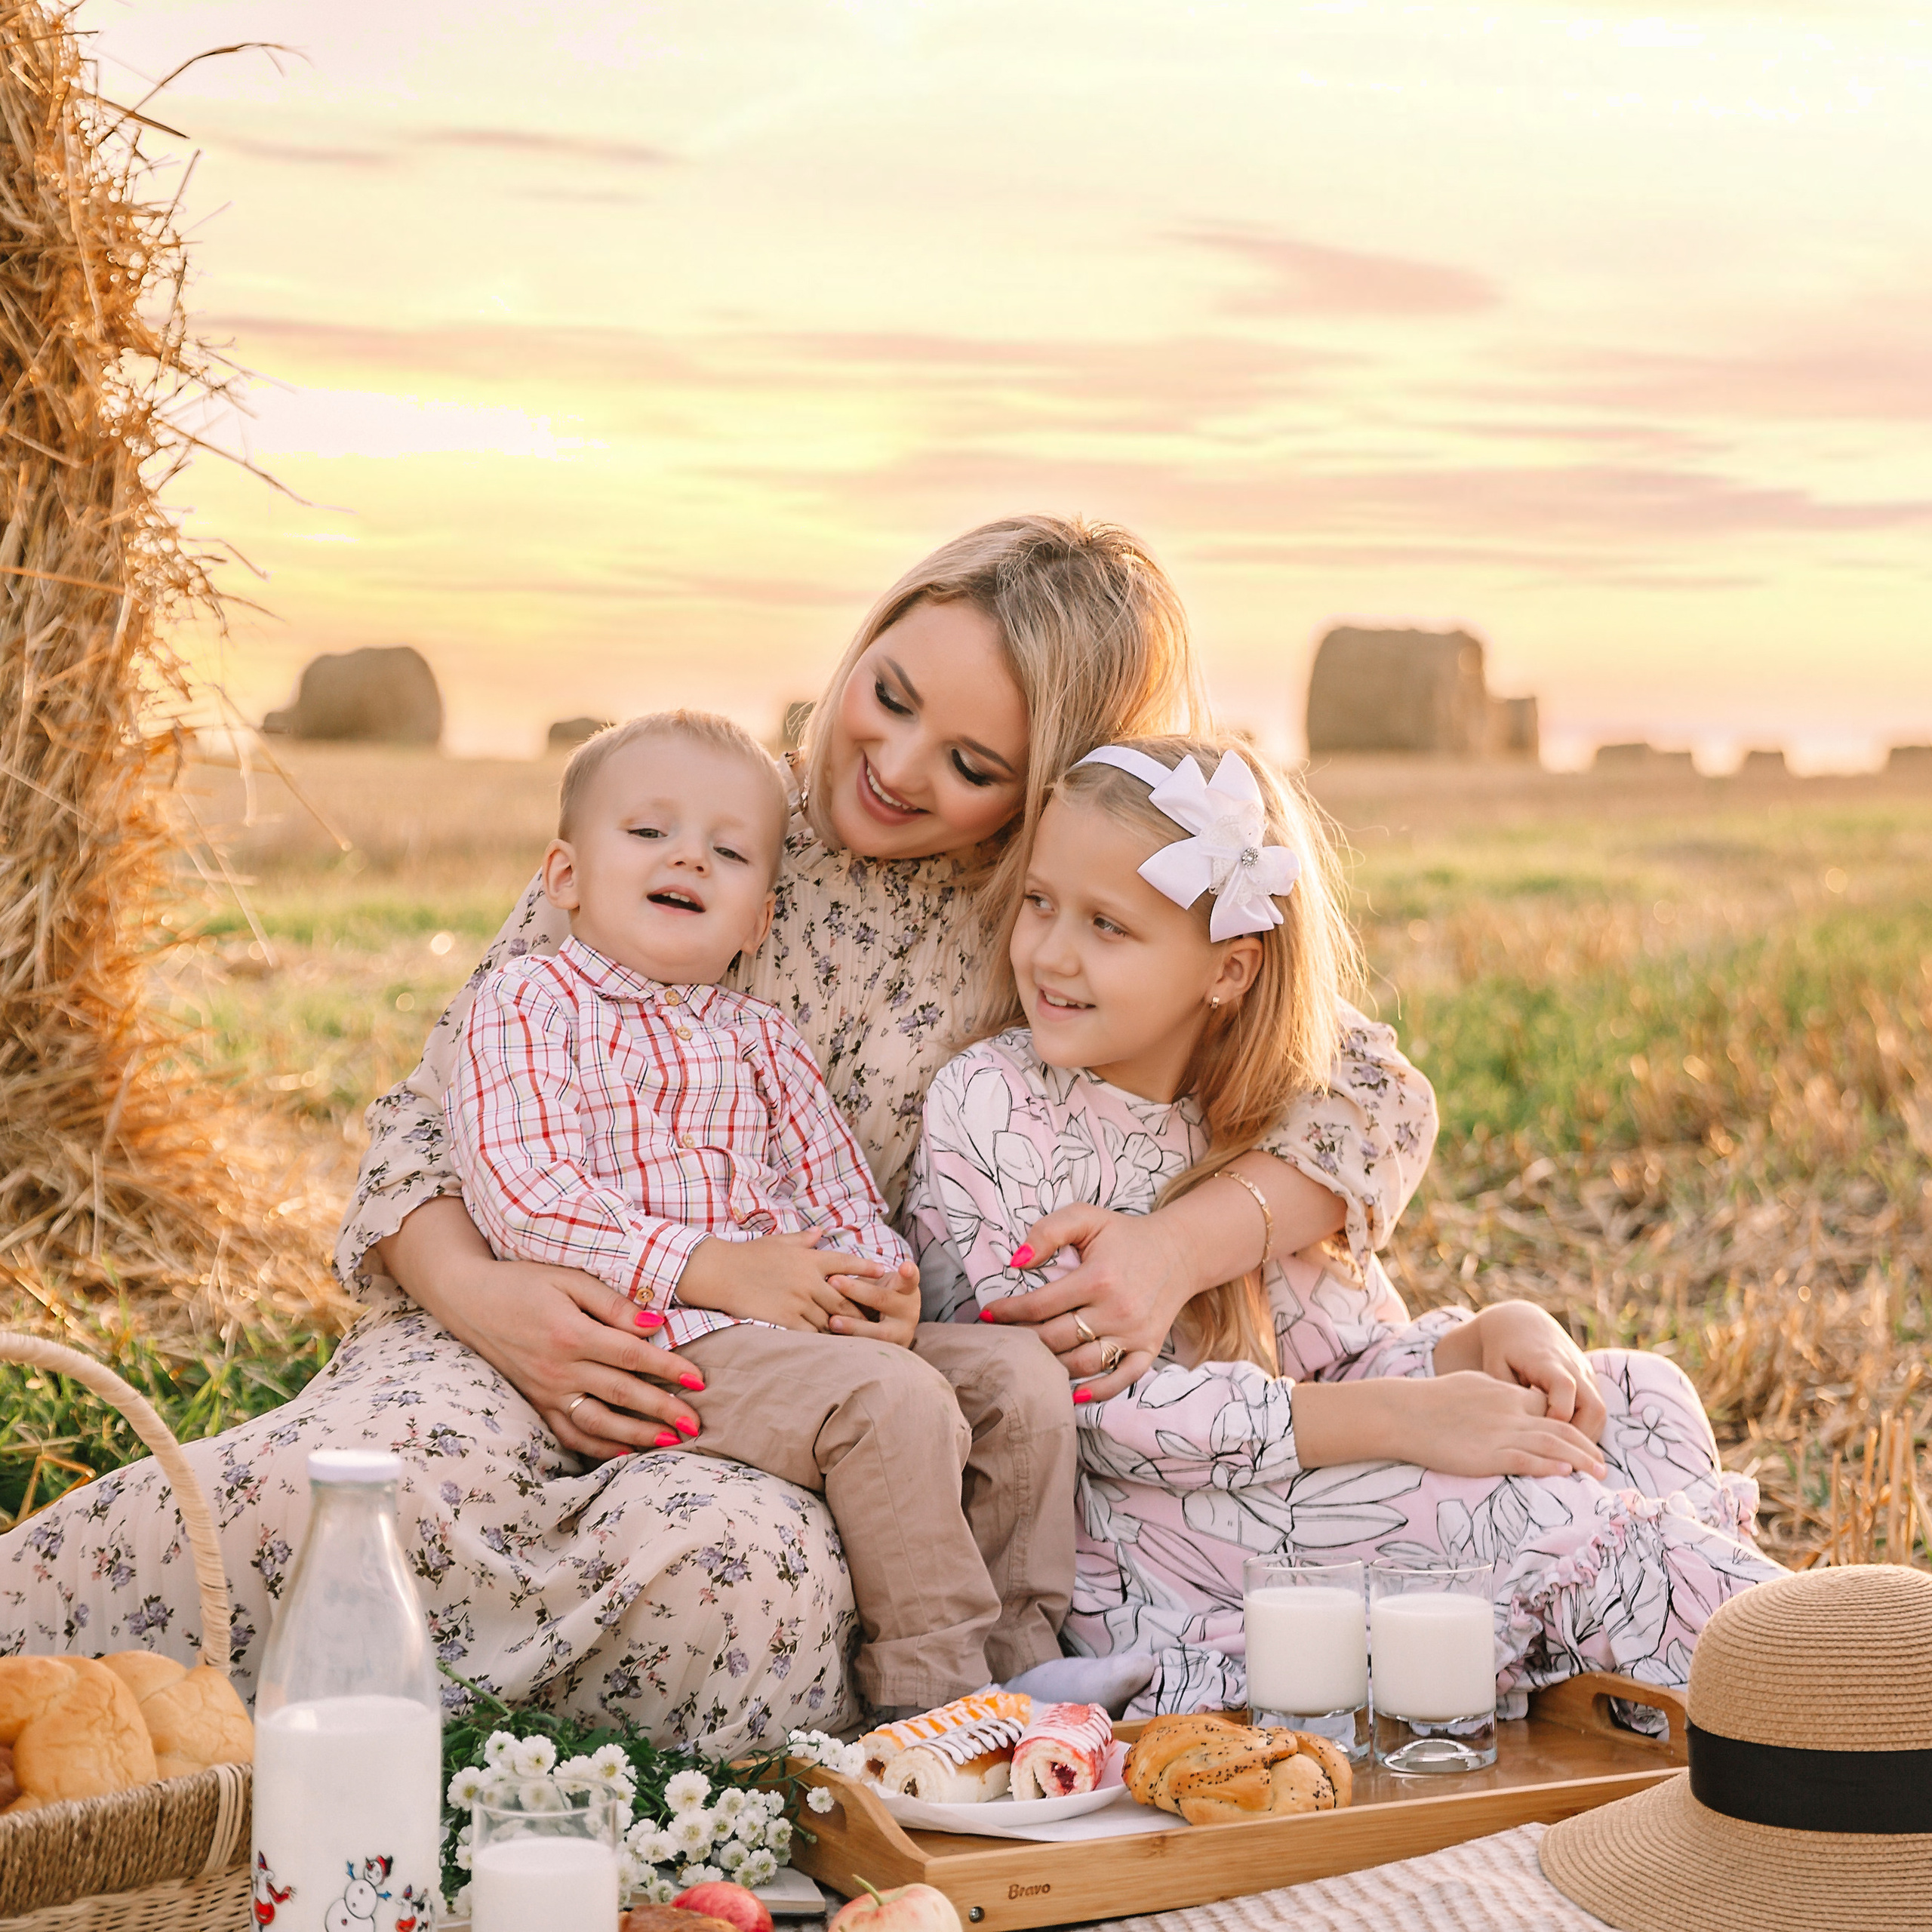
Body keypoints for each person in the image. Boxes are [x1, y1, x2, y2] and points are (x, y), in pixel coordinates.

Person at [0, 517, 1435, 1752]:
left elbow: (1364, 1093)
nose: (893, 762)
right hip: (512, 1326)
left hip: (793, 1413)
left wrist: (1172, 1248)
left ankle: (526, 1732)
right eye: (888, 694)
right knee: (333, 1497)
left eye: (973, 759)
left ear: (1042, 785)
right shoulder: (703, 817)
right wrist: (490, 1301)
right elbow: (426, 1120)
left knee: (749, 1593)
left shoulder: (1055, 912)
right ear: (866, 640)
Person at [906, 733, 1784, 1717]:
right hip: (1157, 1538)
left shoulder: (1270, 1102)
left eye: (1108, 925)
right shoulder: (995, 1104)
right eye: (1040, 902)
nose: (1051, 952)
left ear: (1229, 972)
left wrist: (1475, 1341)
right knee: (1532, 1505)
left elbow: (1339, 1352)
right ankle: (1821, 1694)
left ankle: (1646, 1700)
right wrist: (1410, 1421)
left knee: (1644, 1399)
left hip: (1308, 1467)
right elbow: (1098, 1413)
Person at [447, 708, 1072, 1712]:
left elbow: (840, 1197)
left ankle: (1029, 1665)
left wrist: (879, 1290)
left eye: (728, 852)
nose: (688, 858)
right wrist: (709, 1269)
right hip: (667, 1335)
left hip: (798, 1328)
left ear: (759, 920)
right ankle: (938, 1703)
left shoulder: (761, 1036)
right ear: (564, 878)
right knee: (893, 1403)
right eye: (650, 834)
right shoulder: (530, 1002)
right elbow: (528, 1194)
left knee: (1021, 1381)